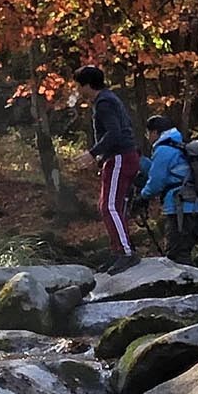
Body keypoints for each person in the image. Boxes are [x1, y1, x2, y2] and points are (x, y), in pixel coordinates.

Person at [77, 64, 139, 258]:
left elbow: (115, 133)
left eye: (79, 85)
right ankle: (118, 251)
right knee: (109, 206)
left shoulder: (104, 103)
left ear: (87, 85)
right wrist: (101, 158)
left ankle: (125, 252)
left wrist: (93, 153)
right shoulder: (107, 100)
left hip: (121, 157)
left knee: (110, 206)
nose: (77, 90)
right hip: (120, 157)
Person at [135, 111, 198, 258]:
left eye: (148, 133)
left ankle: (186, 281)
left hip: (181, 207)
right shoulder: (179, 145)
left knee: (177, 253)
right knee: (190, 250)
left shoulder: (163, 149)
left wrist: (142, 196)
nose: (148, 137)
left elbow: (156, 182)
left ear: (155, 132)